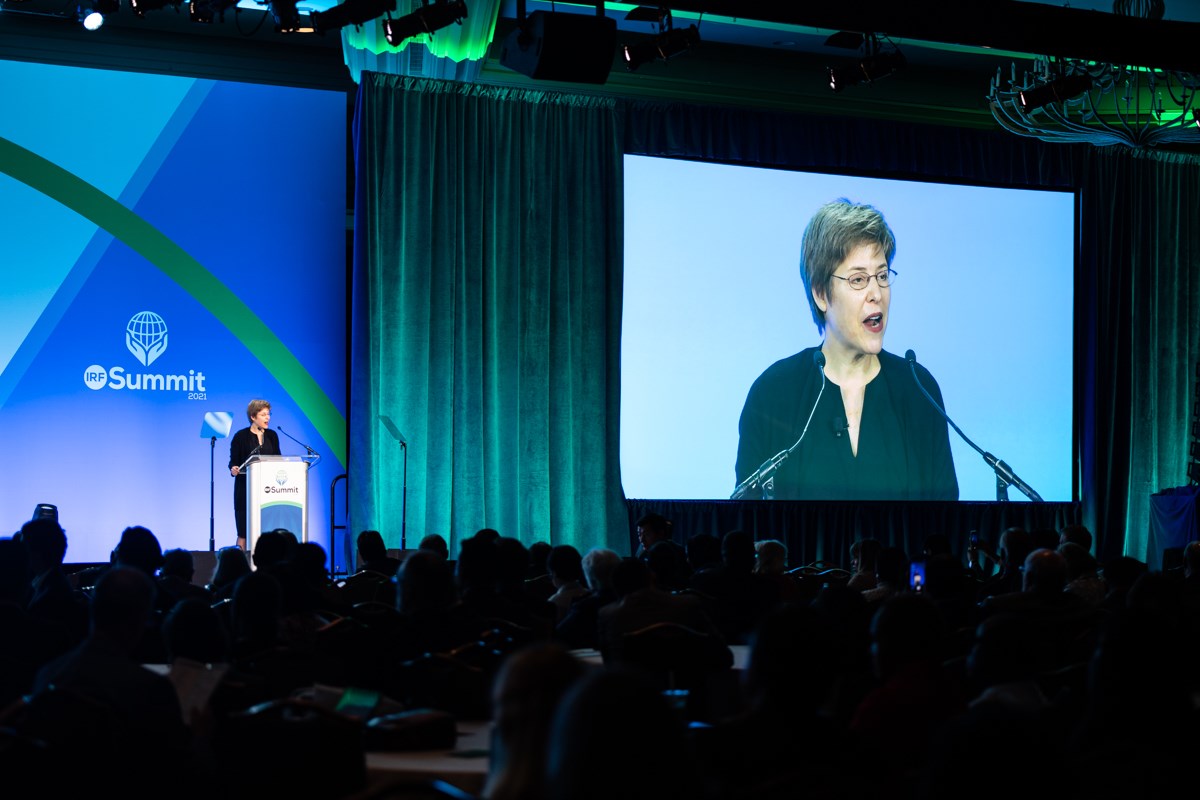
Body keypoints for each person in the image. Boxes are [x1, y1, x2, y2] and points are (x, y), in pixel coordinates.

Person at [734, 199, 958, 500]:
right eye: (858, 280)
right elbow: (748, 527)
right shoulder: (773, 393)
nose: (876, 294)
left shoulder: (918, 391)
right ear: (821, 293)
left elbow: (944, 523)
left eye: (881, 275)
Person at [228, 399, 281, 550]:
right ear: (253, 416)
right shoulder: (240, 437)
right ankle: (240, 570)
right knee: (243, 533)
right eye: (263, 414)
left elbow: (278, 458)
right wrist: (234, 469)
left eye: (268, 414)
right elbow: (233, 462)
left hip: (268, 491)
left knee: (268, 534)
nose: (268, 418)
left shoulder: (272, 435)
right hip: (245, 491)